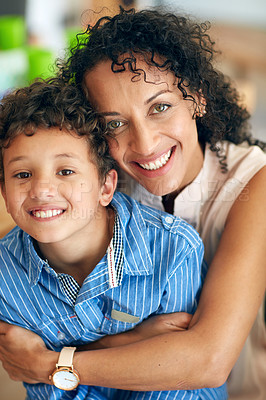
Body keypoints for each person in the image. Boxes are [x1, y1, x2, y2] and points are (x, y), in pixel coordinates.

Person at [0, 6, 265, 400]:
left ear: (196, 98)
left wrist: (49, 364)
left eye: (160, 107)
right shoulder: (104, 180)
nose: (144, 144)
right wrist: (143, 341)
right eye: (114, 124)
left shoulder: (253, 183)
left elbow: (207, 361)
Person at [0, 79, 226, 399]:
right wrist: (134, 342)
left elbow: (179, 373)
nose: (41, 191)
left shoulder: (173, 252)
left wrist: (53, 363)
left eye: (65, 171)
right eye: (23, 175)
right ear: (5, 194)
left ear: (106, 187)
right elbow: (40, 384)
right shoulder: (4, 279)